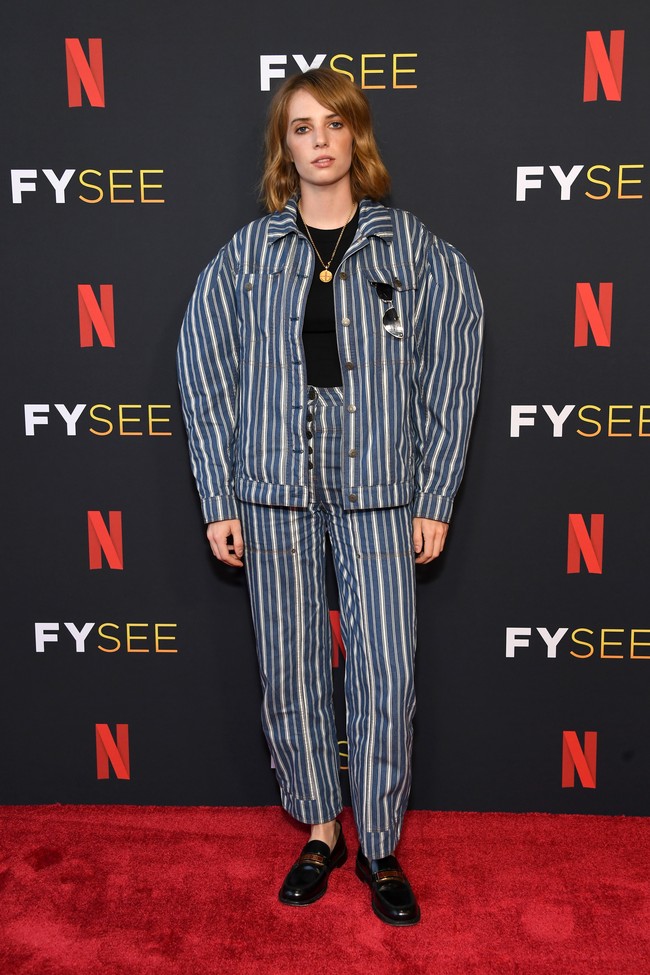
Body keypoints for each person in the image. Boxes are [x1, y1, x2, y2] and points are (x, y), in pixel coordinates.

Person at [177, 67, 483, 926]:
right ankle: (321, 830)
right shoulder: (247, 256)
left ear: (357, 138)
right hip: (272, 492)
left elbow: (450, 375)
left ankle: (379, 843)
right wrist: (219, 494)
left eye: (333, 125)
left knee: (386, 670)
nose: (318, 141)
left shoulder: (411, 249)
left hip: (383, 494)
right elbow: (206, 374)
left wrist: (434, 492)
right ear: (286, 145)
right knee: (292, 668)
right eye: (302, 126)